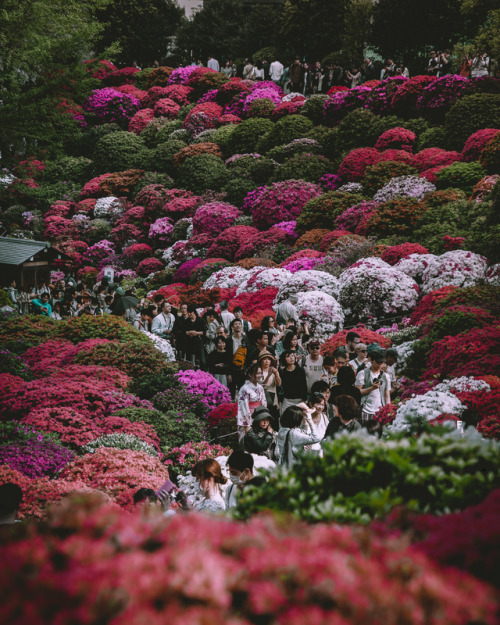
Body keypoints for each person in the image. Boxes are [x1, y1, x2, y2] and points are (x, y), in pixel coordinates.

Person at [356, 351, 391, 422]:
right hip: (364, 409)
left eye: (382, 363)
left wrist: (387, 410)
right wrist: (371, 388)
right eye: (378, 362)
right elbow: (357, 392)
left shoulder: (386, 376)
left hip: (380, 411)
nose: (380, 365)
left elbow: (387, 395)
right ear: (372, 361)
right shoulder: (362, 373)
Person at [236, 362, 267, 440]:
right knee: (248, 441)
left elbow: (264, 403)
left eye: (261, 373)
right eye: (257, 373)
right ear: (250, 375)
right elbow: (243, 407)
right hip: (248, 417)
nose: (260, 375)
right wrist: (248, 424)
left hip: (259, 416)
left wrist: (264, 418)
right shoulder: (244, 388)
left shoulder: (260, 387)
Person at [279, 350, 307, 415]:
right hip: (287, 400)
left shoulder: (300, 370)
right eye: (288, 356)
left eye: (292, 356)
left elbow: (304, 386)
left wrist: (304, 400)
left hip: (299, 400)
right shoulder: (282, 372)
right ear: (284, 359)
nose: (291, 358)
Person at [258, 351, 281, 419]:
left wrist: (276, 373)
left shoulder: (273, 371)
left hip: (272, 399)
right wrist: (268, 376)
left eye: (268, 359)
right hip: (262, 400)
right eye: (264, 359)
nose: (267, 361)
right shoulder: (258, 371)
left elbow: (278, 384)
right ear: (261, 361)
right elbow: (262, 386)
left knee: (273, 420)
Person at [229, 318, 247, 398]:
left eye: (239, 324)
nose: (238, 326)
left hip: (242, 368)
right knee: (231, 390)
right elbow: (227, 357)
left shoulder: (245, 339)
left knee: (242, 391)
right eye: (236, 324)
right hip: (232, 367)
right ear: (232, 327)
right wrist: (228, 373)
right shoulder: (229, 340)